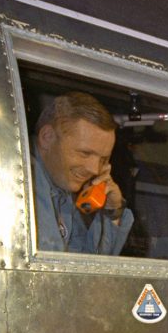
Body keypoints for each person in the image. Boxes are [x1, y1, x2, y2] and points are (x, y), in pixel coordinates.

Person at [32, 91, 133, 254]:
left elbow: (90, 266)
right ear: (47, 137)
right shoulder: (24, 183)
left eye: (103, 160)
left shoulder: (62, 190)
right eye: (85, 153)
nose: (94, 169)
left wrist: (113, 212)